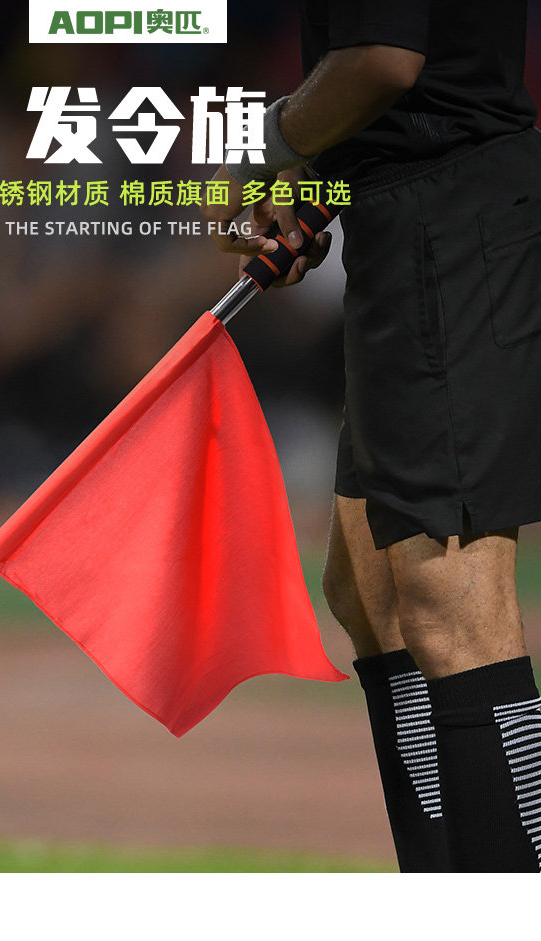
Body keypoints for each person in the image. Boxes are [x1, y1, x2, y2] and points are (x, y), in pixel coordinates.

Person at [202, 1, 541, 872]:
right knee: (369, 586)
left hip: (455, 224)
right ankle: (445, 892)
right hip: (411, 220)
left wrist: (263, 149)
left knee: (452, 595)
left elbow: (383, 57)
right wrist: (319, 171)